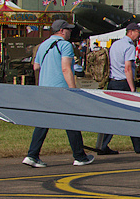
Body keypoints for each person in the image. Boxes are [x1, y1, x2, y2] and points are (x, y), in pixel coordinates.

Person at [22, 20, 94, 168]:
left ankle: (32, 155)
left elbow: (36, 67)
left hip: (45, 88)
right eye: (68, 30)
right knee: (71, 121)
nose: (70, 32)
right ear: (61, 30)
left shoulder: (43, 45)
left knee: (43, 122)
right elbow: (66, 69)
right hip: (60, 89)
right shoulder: (65, 45)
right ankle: (79, 156)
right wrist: (73, 89)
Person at [94, 22, 140, 155]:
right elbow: (127, 68)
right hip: (123, 83)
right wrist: (132, 88)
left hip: (113, 82)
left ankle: (104, 145)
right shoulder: (129, 47)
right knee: (130, 115)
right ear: (131, 32)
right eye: (139, 33)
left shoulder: (115, 44)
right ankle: (136, 145)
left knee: (114, 115)